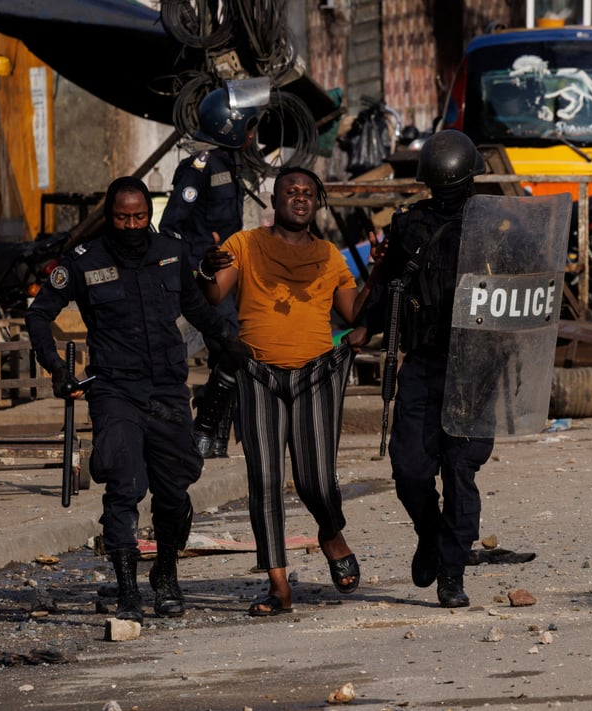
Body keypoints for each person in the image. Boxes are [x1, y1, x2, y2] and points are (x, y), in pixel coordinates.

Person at [25, 176, 240, 623]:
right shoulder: (84, 261)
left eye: (139, 216)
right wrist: (57, 369)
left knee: (174, 491)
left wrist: (229, 340)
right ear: (110, 216)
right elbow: (39, 315)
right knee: (124, 488)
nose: (131, 225)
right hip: (115, 390)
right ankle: (127, 591)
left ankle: (166, 574)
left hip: (167, 389)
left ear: (148, 215)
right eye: (123, 217)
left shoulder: (172, 251)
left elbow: (196, 308)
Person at [199, 166, 367, 616]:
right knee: (265, 480)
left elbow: (353, 311)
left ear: (317, 202)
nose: (300, 197)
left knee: (317, 480)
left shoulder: (329, 255)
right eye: (291, 191)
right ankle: (278, 586)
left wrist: (382, 271)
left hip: (317, 375)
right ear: (274, 201)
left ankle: (331, 534)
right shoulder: (244, 244)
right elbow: (214, 295)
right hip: (258, 375)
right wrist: (206, 268)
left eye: (308, 192)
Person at [351, 130, 494, 608]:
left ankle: (452, 573)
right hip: (424, 364)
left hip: (474, 370)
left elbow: (524, 293)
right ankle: (429, 533)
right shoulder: (410, 227)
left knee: (460, 471)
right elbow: (390, 286)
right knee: (410, 470)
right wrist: (366, 327)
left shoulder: (495, 226)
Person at [160, 83, 261, 458]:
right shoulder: (198, 168)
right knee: (230, 345)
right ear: (230, 126)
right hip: (205, 276)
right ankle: (205, 426)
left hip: (228, 273)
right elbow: (171, 225)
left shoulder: (229, 164)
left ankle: (215, 436)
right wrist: (192, 268)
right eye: (249, 127)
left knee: (230, 351)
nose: (252, 136)